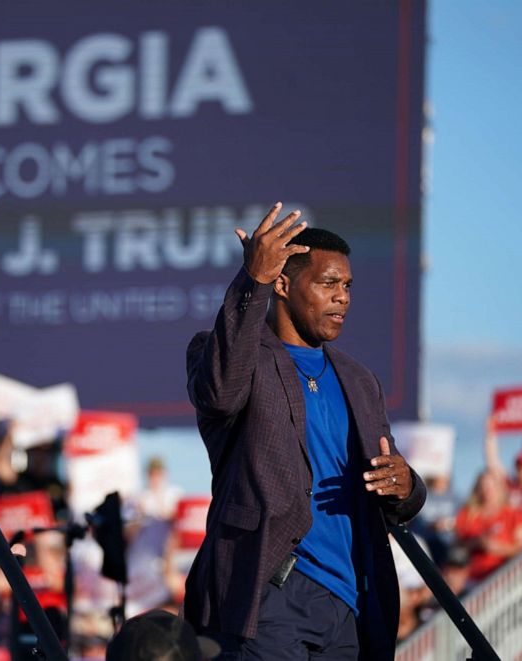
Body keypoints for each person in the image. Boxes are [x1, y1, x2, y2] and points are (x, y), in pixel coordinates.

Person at [183, 204, 426, 660]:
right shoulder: (236, 355)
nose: (343, 297)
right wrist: (250, 283)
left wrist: (407, 485)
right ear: (282, 284)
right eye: (328, 283)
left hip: (352, 601)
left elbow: (397, 494)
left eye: (348, 286)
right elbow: (218, 393)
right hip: (268, 591)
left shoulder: (360, 380)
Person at [454, 469, 522, 583]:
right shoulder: (467, 514)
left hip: (504, 578)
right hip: (472, 579)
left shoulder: (513, 514)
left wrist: (498, 548)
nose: (487, 491)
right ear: (477, 489)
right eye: (483, 486)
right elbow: (457, 546)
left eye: (491, 486)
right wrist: (476, 543)